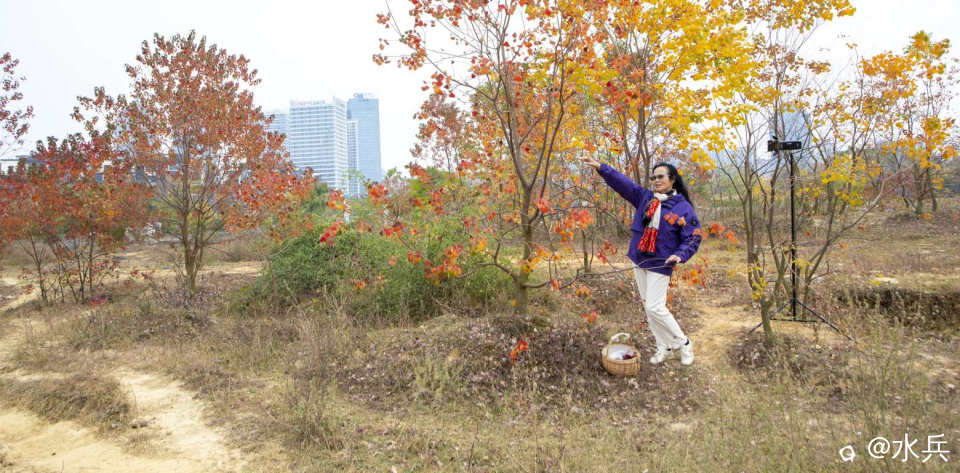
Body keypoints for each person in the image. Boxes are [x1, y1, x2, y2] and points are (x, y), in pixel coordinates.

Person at [580, 156, 703, 365]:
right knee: (649, 309)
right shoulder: (646, 198)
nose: (656, 180)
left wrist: (680, 254)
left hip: (661, 262)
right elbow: (623, 183)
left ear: (672, 179)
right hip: (639, 259)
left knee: (656, 307)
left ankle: (683, 343)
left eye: (661, 177)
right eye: (654, 177)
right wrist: (601, 167)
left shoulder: (683, 208)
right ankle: (663, 346)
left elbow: (693, 236)